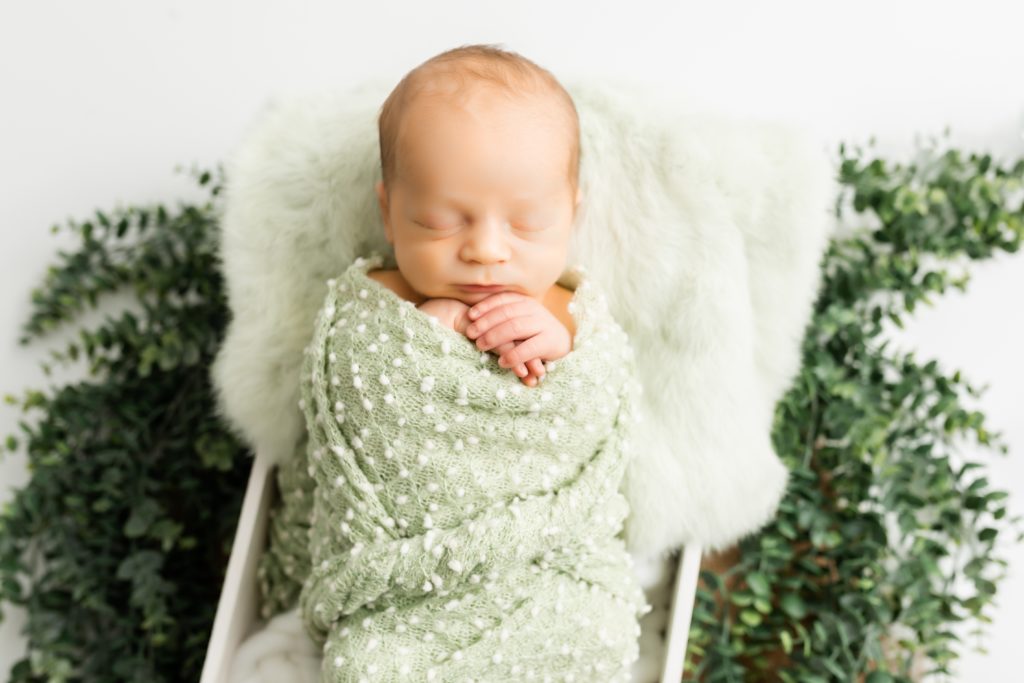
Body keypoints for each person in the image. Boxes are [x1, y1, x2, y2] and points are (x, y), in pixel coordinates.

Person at [368, 43, 584, 388]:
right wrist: (422, 333)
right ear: (388, 214)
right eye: (438, 221)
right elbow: (344, 391)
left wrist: (562, 348)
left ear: (571, 216)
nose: (486, 250)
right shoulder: (379, 296)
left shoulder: (573, 312)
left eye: (528, 221)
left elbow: (609, 396)